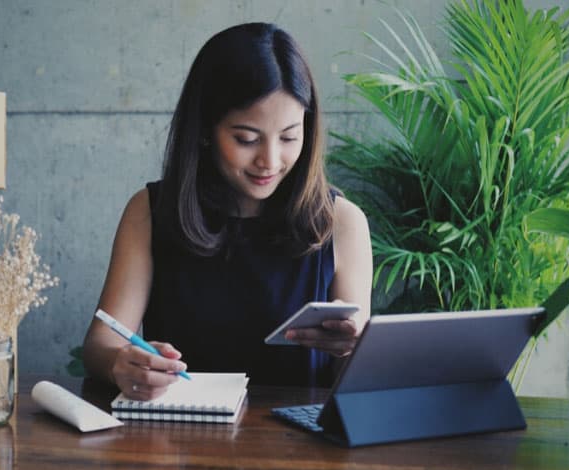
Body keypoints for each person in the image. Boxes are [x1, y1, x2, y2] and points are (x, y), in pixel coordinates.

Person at [83, 22, 372, 400]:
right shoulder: (150, 212)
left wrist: (352, 347)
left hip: (298, 445)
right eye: (246, 139)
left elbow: (357, 376)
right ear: (204, 128)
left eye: (289, 136)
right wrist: (122, 363)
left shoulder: (342, 222)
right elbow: (100, 343)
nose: (270, 160)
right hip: (178, 441)